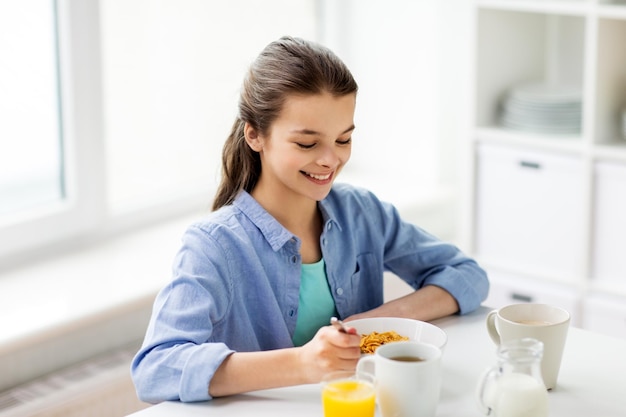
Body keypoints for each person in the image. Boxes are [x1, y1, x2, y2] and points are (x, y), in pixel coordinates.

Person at [131, 36, 489, 403]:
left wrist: (377, 321)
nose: (330, 160)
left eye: (344, 140)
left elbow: (468, 276)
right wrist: (303, 363)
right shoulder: (214, 245)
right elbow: (155, 369)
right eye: (307, 144)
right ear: (254, 134)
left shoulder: (362, 213)